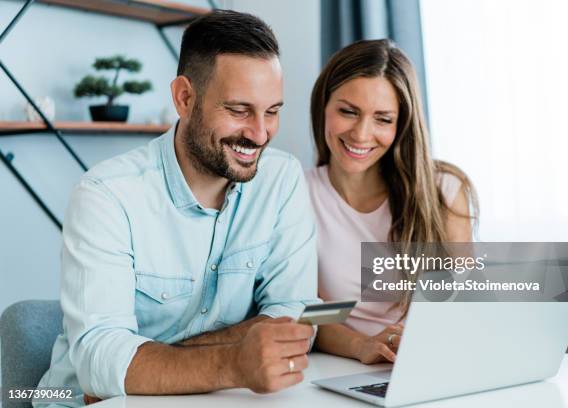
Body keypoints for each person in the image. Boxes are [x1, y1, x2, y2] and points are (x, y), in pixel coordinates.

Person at [35, 10, 318, 407]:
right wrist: (232, 362)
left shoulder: (282, 179)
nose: (260, 134)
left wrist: (155, 361)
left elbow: (293, 318)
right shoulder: (106, 195)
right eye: (239, 110)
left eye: (272, 111)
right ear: (184, 98)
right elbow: (99, 365)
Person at [307, 39, 478, 365]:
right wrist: (363, 345)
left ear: (402, 125)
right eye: (348, 111)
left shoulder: (444, 191)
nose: (361, 134)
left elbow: (460, 305)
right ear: (323, 106)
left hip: (433, 363)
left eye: (382, 119)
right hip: (342, 367)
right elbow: (307, 312)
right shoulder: (298, 195)